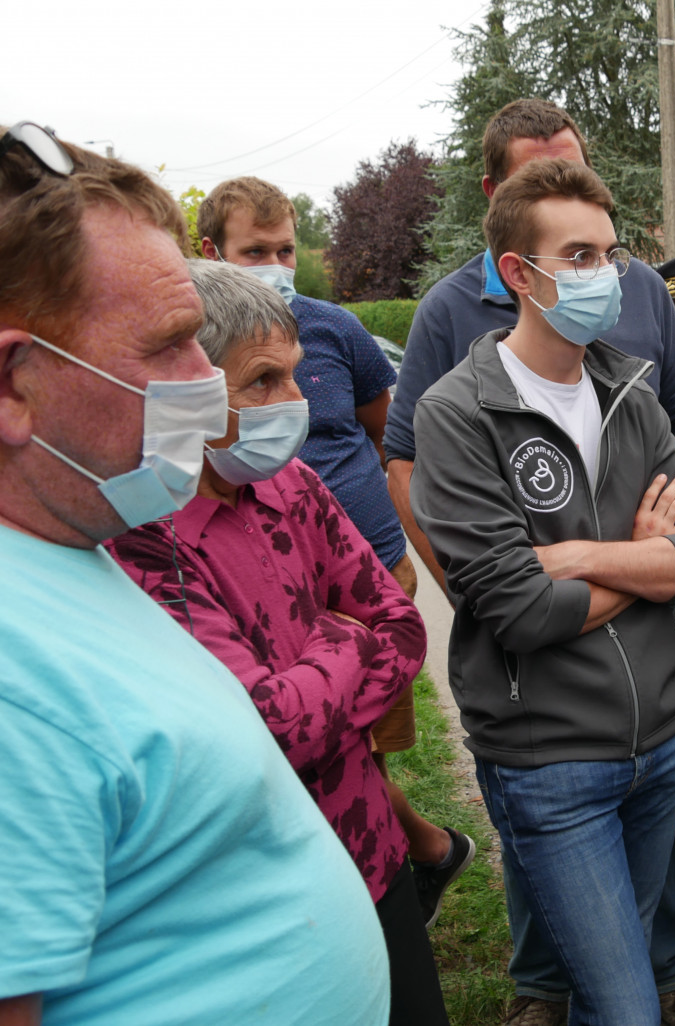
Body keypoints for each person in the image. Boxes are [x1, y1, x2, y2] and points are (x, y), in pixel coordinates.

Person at [0, 124, 388, 1025]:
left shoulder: (76, 534)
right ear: (15, 384)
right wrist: (343, 644)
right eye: (175, 344)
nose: (205, 385)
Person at [386, 98, 675, 1026]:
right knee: (622, 1007)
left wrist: (591, 557)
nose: (604, 275)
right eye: (577, 258)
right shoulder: (458, 411)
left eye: (607, 253)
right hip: (551, 758)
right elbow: (520, 612)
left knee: (627, 981)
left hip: (661, 744)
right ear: (516, 274)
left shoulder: (632, 392)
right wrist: (647, 556)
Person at [106, 260, 448, 1026]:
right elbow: (268, 726)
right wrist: (343, 645)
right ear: (186, 389)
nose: (294, 404)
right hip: (263, 892)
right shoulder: (141, 539)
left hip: (369, 847)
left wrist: (314, 682)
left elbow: (399, 624)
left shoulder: (292, 485)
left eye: (294, 376)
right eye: (263, 381)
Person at [197, 175, 474, 930]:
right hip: (265, 576)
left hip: (369, 560)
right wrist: (347, 642)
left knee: (366, 744)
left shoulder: (336, 330)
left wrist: (384, 549)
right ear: (210, 251)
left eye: (286, 248)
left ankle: (386, 871)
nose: (277, 265)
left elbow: (386, 435)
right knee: (316, 740)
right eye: (257, 251)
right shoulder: (198, 351)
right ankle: (408, 858)